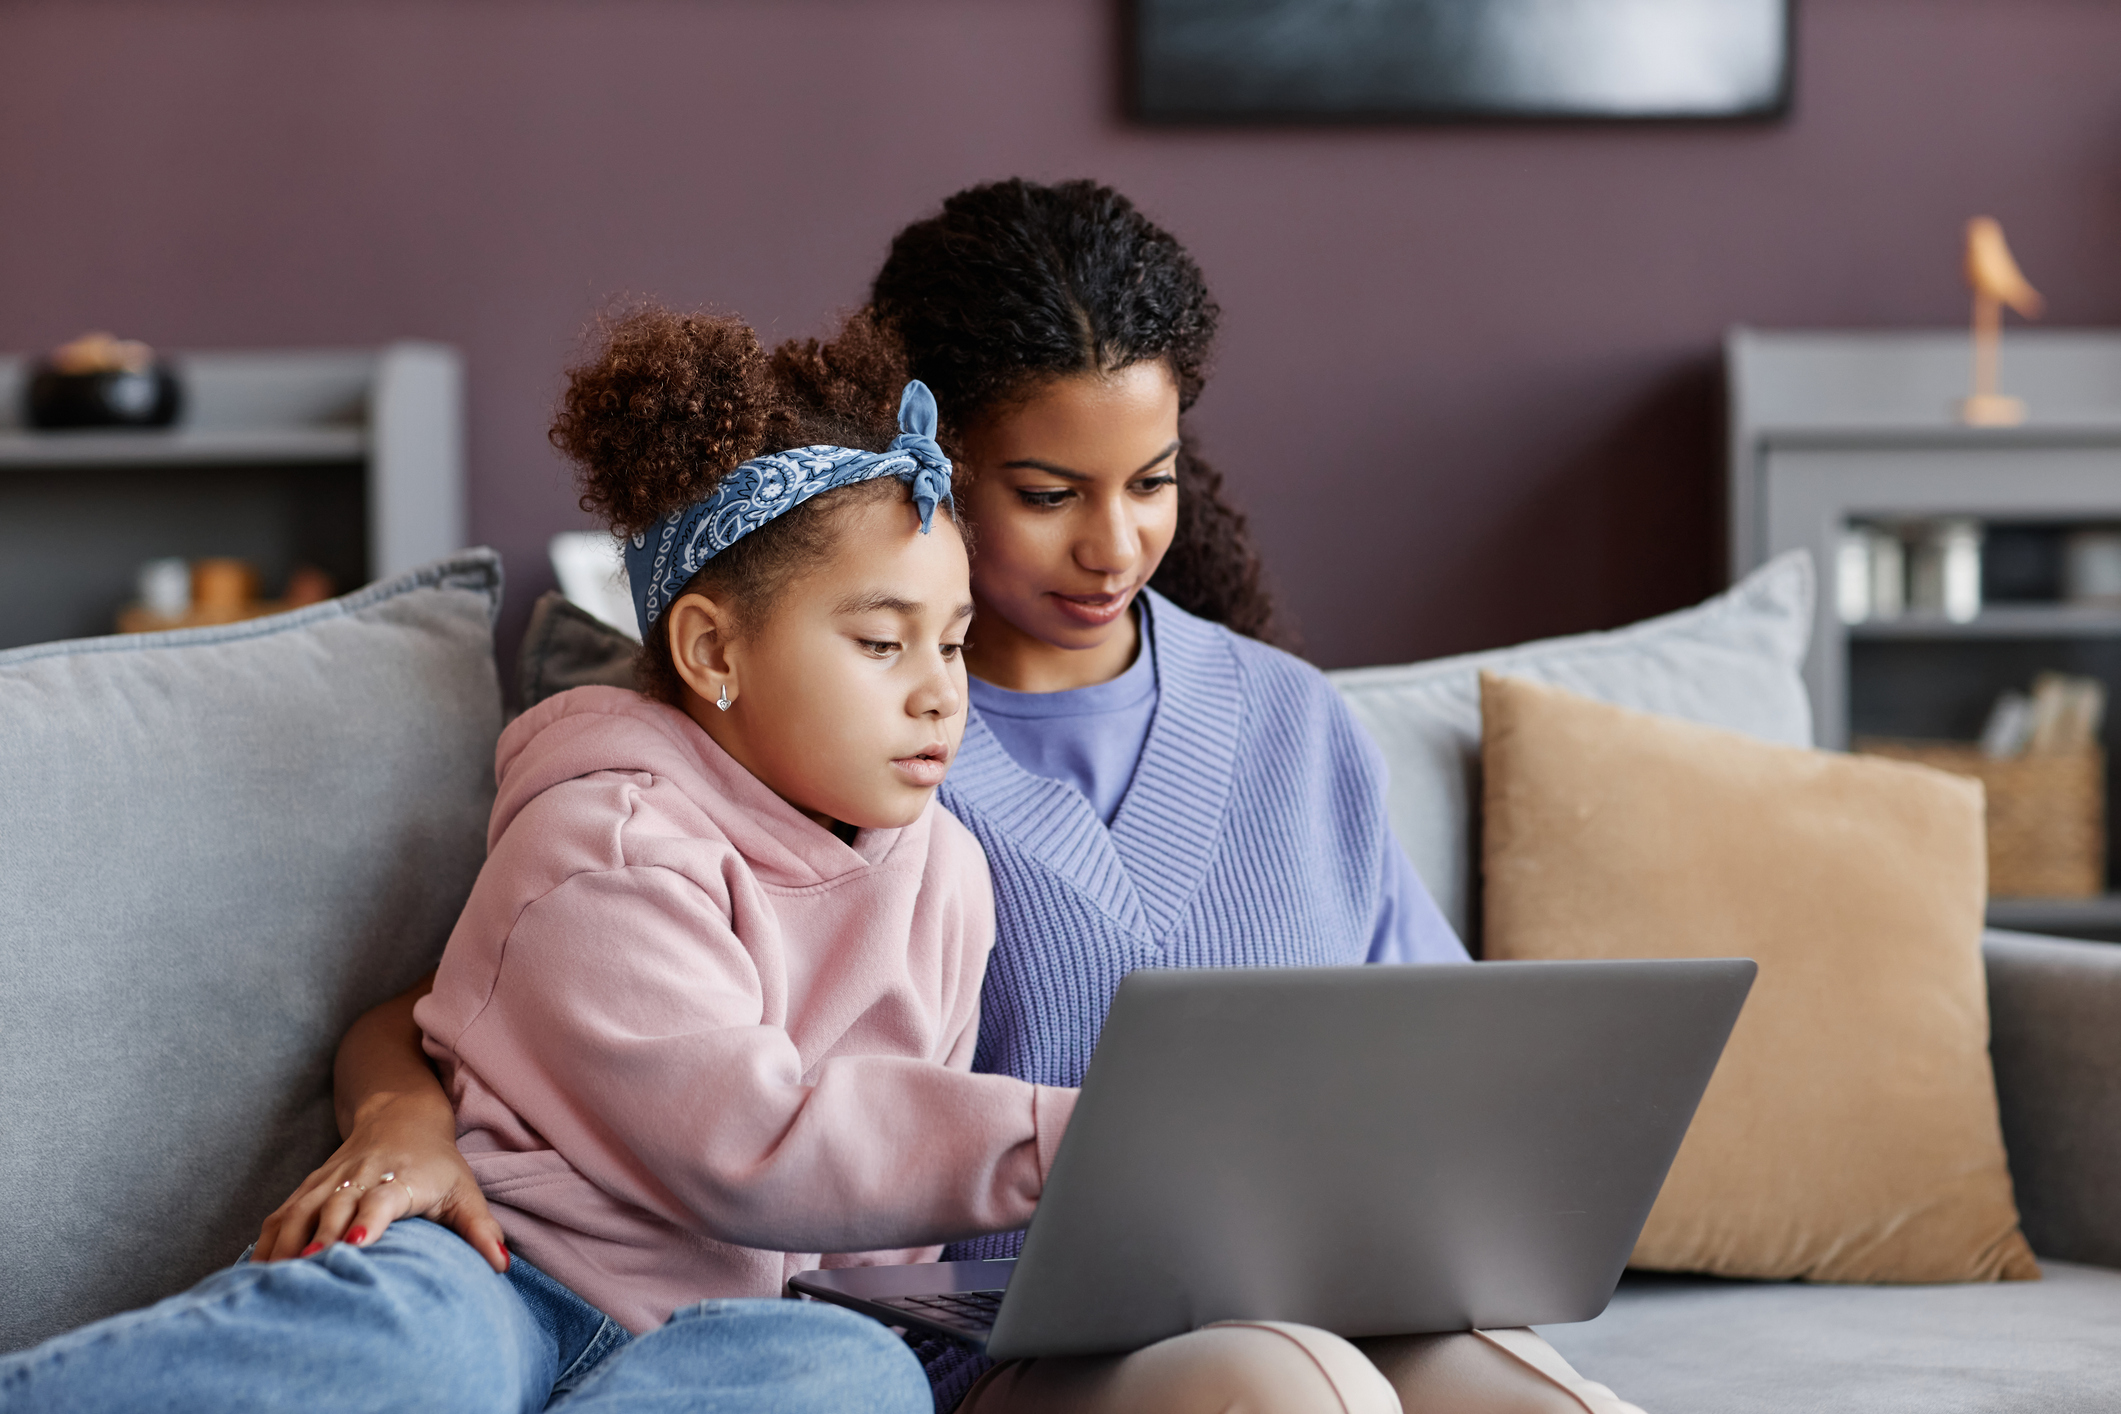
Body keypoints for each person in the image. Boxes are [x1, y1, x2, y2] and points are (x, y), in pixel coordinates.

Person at [270, 180, 1642, 1414]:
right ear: (920, 460)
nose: (1114, 546)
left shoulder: (1288, 717)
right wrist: (400, 1118)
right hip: (992, 1342)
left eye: (1151, 482)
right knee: (1288, 1386)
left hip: (1312, 1281)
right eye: (1047, 493)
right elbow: (503, 1009)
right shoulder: (826, 753)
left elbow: (1443, 1056)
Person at [0, 310, 1060, 1413]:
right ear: (713, 651)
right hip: (508, 1275)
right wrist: (1063, 1138)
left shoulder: (945, 873)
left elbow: (878, 1228)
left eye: (953, 639)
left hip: (710, 1346)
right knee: (419, 1352)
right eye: (883, 644)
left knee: (852, 1373)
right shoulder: (607, 842)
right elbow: (755, 1140)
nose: (940, 689)